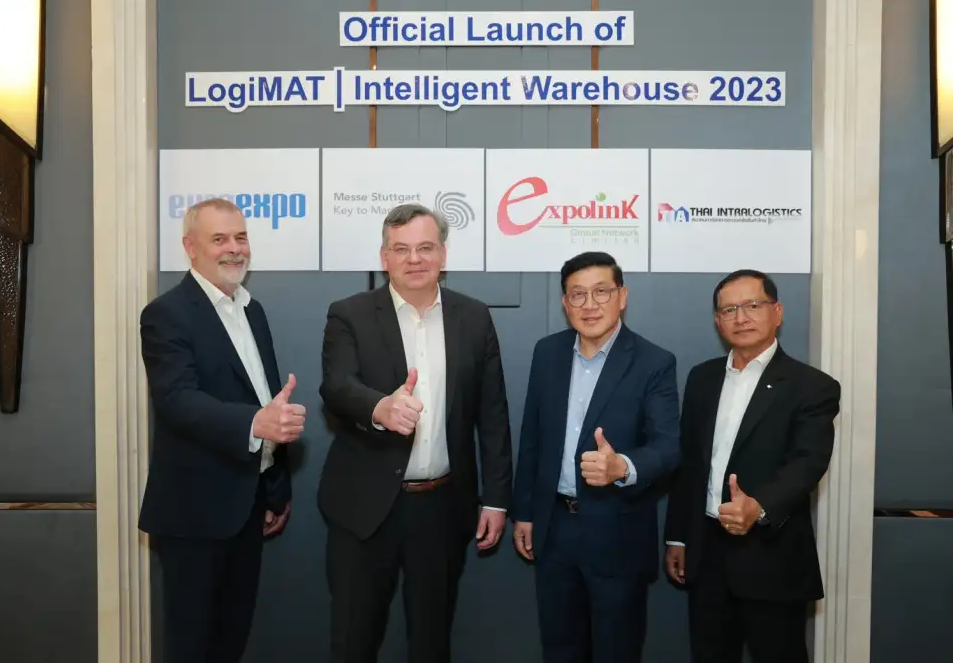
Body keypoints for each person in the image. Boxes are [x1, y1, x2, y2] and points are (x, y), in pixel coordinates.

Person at [318, 202, 514, 663]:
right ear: (384, 257)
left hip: (442, 508)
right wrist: (379, 407)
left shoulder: (474, 317)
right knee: (353, 640)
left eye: (425, 247)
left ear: (443, 254)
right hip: (364, 507)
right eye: (401, 249)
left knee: (431, 642)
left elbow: (492, 414)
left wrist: (496, 499)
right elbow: (337, 386)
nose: (414, 259)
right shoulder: (349, 314)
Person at [138, 197, 306, 663]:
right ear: (190, 248)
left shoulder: (253, 310)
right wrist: (254, 423)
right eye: (219, 239)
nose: (234, 248)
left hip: (248, 506)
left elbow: (266, 398)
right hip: (194, 514)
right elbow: (176, 400)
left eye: (240, 237)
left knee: (231, 642)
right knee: (192, 647)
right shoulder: (166, 313)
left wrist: (275, 488)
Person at [511, 251, 682, 663]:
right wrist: (526, 512)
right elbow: (532, 437)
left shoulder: (653, 362)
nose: (590, 305)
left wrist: (622, 467)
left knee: (615, 651)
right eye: (578, 294)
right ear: (565, 302)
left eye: (601, 292)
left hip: (617, 532)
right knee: (560, 648)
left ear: (622, 296)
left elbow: (668, 446)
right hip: (554, 530)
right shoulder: (547, 353)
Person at [664, 269, 841, 663]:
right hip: (706, 554)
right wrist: (678, 537)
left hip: (771, 556)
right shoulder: (702, 378)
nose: (740, 317)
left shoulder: (812, 386)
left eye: (752, 306)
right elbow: (689, 464)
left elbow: (808, 461)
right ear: (717, 321)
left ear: (777, 312)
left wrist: (758, 506)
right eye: (729, 310)